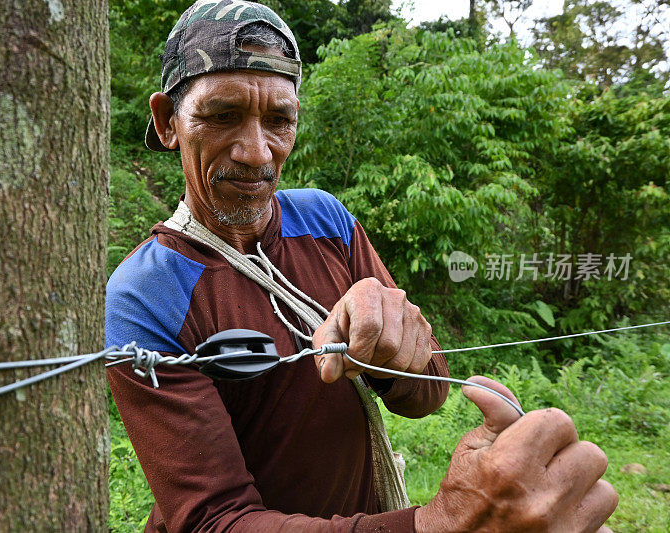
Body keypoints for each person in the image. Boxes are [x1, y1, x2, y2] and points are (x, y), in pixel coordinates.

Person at [106, 1, 619, 531]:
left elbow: (430, 390)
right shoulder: (148, 293)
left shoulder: (325, 221)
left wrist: (392, 349)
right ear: (169, 121)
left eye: (280, 119)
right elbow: (214, 521)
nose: (258, 153)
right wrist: (438, 524)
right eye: (222, 116)